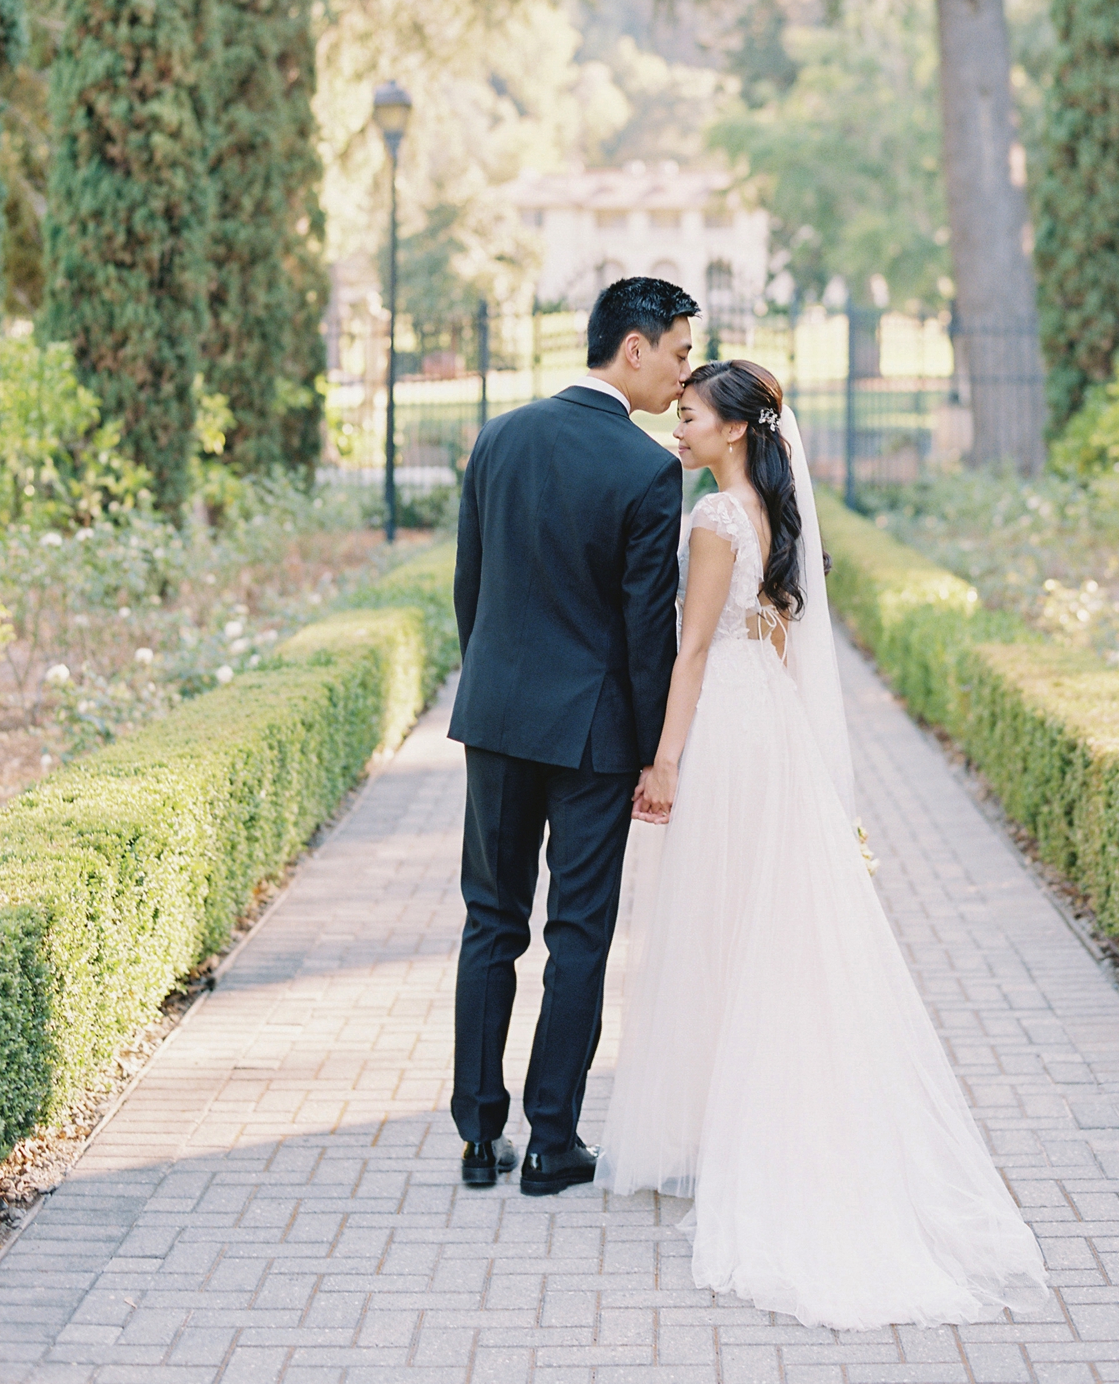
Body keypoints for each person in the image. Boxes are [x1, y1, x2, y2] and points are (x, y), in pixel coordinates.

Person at [597, 359, 1048, 1329]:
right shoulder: (771, 512)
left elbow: (688, 649)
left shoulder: (715, 520)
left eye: (690, 415)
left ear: (734, 430)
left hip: (724, 726)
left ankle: (738, 1132)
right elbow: (783, 641)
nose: (678, 426)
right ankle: (749, 1118)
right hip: (773, 729)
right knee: (769, 926)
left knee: (719, 919)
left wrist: (663, 757)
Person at [448, 275, 698, 1196]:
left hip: (497, 721)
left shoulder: (500, 437)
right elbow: (647, 633)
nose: (683, 377)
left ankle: (479, 1135)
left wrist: (491, 687)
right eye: (676, 354)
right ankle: (552, 1142)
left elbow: (470, 591)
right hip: (592, 738)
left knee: (490, 922)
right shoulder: (645, 469)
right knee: (579, 934)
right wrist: (650, 753)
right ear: (631, 348)